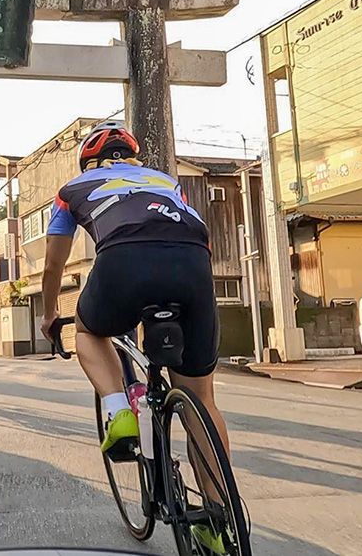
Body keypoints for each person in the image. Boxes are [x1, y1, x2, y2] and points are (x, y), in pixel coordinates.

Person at [38, 121, 231, 474]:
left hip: (123, 258)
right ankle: (220, 520)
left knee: (88, 332)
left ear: (89, 163)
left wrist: (49, 314)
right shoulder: (167, 181)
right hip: (192, 263)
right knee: (202, 400)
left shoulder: (71, 190)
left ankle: (119, 410)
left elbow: (53, 265)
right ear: (132, 157)